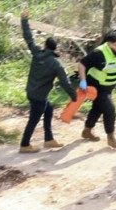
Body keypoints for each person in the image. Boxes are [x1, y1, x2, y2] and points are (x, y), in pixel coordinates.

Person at [18, 11, 77, 153]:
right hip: (39, 96)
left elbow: (28, 38)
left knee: (49, 109)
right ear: (56, 48)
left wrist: (24, 20)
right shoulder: (56, 64)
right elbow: (65, 82)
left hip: (31, 92)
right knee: (33, 119)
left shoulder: (37, 53)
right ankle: (24, 145)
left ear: (45, 45)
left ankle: (48, 139)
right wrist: (74, 97)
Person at [78, 32, 116, 148]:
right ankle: (111, 137)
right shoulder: (98, 53)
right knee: (110, 109)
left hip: (107, 87)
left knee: (98, 108)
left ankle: (87, 130)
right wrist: (83, 80)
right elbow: (82, 64)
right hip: (95, 86)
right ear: (109, 44)